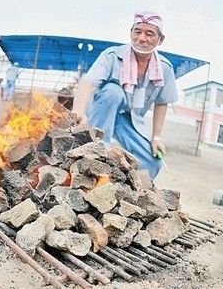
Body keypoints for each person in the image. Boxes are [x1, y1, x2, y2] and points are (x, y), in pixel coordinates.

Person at [72, 11, 178, 179]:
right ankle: (97, 150)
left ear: (160, 40)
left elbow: (162, 102)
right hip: (101, 115)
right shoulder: (112, 56)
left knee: (152, 162)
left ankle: (131, 189)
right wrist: (78, 111)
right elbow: (88, 82)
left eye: (149, 34)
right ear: (130, 33)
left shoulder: (165, 68)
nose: (141, 38)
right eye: (137, 31)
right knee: (112, 92)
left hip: (129, 121)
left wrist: (156, 136)